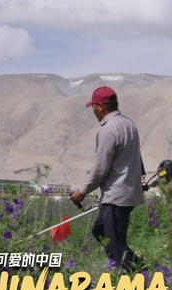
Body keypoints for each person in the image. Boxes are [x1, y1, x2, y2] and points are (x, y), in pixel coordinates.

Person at [70, 86, 144, 272]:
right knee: (100, 231)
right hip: (128, 192)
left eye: (93, 107)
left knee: (116, 245)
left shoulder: (108, 130)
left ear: (101, 107)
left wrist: (82, 191)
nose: (93, 111)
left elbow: (100, 168)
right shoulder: (129, 124)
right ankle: (138, 267)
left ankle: (137, 275)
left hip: (115, 196)